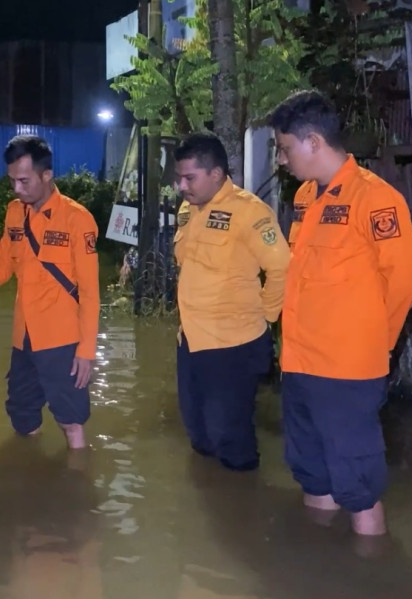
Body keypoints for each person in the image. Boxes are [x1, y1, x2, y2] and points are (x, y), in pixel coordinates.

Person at [267, 90, 412, 535]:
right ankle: (322, 563)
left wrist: (376, 344)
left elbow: (406, 283)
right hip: (299, 362)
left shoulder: (375, 200)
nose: (281, 159)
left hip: (348, 370)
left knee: (357, 482)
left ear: (314, 142)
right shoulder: (303, 199)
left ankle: (370, 570)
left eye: (284, 147)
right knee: (311, 469)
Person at [0, 135, 100, 449]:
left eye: (24, 181)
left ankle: (79, 484)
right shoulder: (15, 213)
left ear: (46, 175)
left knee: (70, 420)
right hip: (24, 337)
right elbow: (1, 267)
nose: (16, 189)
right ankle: (29, 474)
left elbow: (91, 292)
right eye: (12, 180)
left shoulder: (77, 219)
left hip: (62, 339)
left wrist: (86, 351)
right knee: (22, 416)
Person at [171, 132, 290, 471]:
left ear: (216, 174)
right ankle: (214, 505)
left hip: (233, 344)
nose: (182, 186)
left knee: (230, 436)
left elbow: (282, 267)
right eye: (179, 177)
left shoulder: (250, 212)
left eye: (189, 177)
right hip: (191, 341)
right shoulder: (187, 209)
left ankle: (242, 507)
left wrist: (267, 316)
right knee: (198, 433)